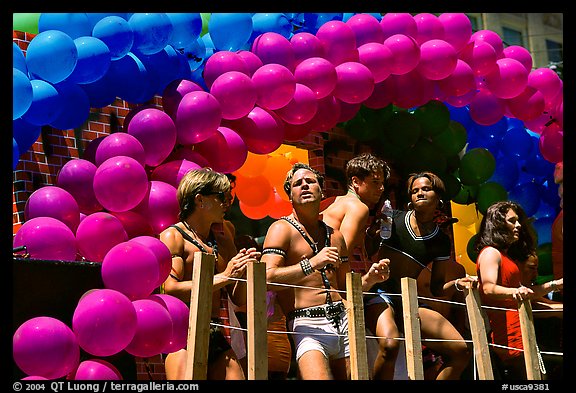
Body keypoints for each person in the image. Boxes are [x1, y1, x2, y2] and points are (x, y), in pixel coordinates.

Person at [260, 162, 390, 380]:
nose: (304, 186)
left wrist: (370, 279)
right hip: (307, 324)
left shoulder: (335, 236)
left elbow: (347, 288)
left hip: (343, 318)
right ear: (290, 196)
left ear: (321, 191)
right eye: (297, 184)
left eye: (310, 182)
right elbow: (265, 278)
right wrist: (311, 263)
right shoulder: (281, 229)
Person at [365, 171, 473, 380]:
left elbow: (437, 288)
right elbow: (369, 249)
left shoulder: (441, 240)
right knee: (390, 344)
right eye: (414, 191)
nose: (419, 193)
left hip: (409, 301)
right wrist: (373, 230)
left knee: (461, 351)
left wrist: (458, 283)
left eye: (426, 189)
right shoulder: (393, 218)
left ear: (438, 198)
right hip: (380, 294)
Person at [159, 168, 260, 380]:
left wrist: (241, 268)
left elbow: (238, 298)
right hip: (182, 334)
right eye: (221, 197)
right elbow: (171, 289)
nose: (226, 203)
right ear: (200, 200)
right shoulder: (174, 236)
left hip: (215, 331)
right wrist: (225, 276)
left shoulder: (223, 238)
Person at [321, 153, 400, 379]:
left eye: (382, 183)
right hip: (339, 293)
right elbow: (339, 255)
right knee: (389, 343)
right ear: (356, 182)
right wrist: (348, 296)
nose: (380, 188)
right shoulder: (358, 208)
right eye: (375, 182)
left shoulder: (334, 203)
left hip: (327, 289)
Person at [474, 201, 564, 380]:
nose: (518, 225)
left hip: (521, 333)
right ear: (498, 223)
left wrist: (555, 284)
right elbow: (489, 288)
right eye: (512, 221)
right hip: (508, 338)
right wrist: (515, 292)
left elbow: (525, 293)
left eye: (518, 221)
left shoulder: (504, 255)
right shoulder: (491, 253)